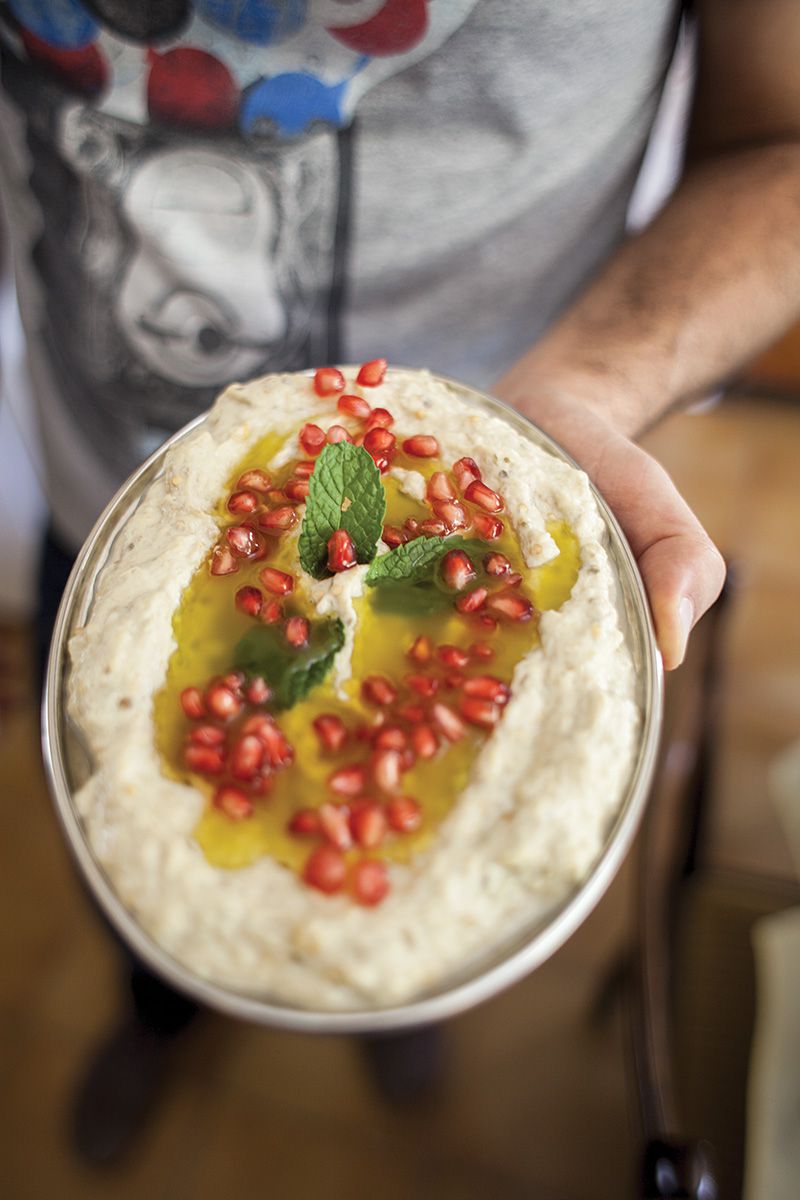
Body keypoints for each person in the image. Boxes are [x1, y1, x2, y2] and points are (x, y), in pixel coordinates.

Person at [1, 0, 796, 1164]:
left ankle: (392, 1001)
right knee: (120, 860)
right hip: (98, 491)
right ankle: (157, 1013)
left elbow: (779, 151)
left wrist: (591, 383)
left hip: (520, 422)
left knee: (405, 923)